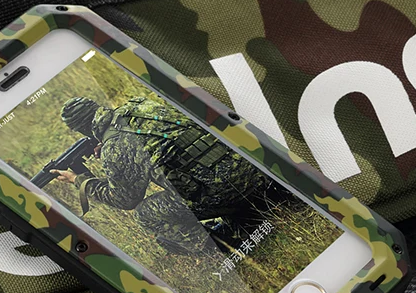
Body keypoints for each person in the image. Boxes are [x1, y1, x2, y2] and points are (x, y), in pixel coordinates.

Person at [50, 96, 273, 252]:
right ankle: (254, 204)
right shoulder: (140, 105)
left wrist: (78, 180)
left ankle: (222, 245)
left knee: (145, 215)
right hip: (254, 168)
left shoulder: (114, 147)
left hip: (225, 192)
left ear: (80, 129)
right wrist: (109, 146)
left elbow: (125, 199)